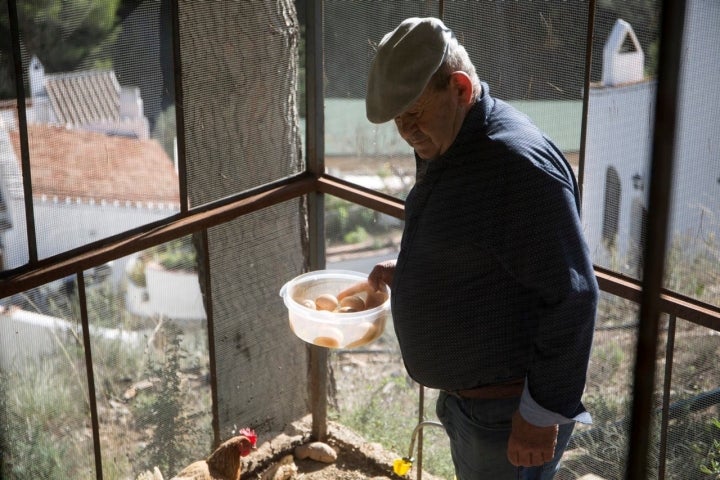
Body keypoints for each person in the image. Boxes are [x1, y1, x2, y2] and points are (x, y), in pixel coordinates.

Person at [363, 17, 599, 479]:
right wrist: (413, 270)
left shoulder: (515, 165)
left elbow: (574, 295)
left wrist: (540, 416)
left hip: (507, 415)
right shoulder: (451, 138)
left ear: (460, 88)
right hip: (472, 407)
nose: (406, 132)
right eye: (398, 120)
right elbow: (482, 241)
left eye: (414, 113)